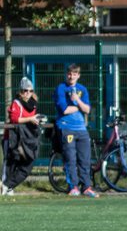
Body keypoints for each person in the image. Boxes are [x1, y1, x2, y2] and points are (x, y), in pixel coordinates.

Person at [54, 64, 97, 198]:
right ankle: (73, 187)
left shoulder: (82, 90)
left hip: (81, 129)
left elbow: (88, 110)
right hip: (66, 128)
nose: (71, 76)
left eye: (74, 74)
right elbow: (65, 110)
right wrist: (80, 107)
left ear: (78, 75)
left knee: (85, 160)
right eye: (69, 73)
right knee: (70, 159)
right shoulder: (60, 88)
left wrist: (77, 100)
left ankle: (86, 187)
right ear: (66, 74)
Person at [3, 77, 44, 195]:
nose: (28, 93)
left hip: (27, 140)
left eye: (30, 91)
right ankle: (4, 188)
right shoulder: (16, 103)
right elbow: (14, 119)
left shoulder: (33, 104)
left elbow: (32, 119)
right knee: (10, 164)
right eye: (25, 90)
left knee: (27, 165)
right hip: (13, 139)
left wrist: (36, 120)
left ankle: (8, 185)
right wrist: (30, 119)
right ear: (20, 92)